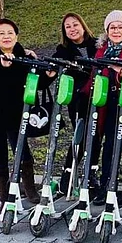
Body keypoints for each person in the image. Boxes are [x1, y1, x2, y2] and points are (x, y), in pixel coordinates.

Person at [0, 18, 52, 214]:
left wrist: (49, 76)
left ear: (16, 36)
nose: (6, 36)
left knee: (22, 151)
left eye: (10, 33)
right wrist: (2, 67)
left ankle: (29, 189)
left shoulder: (24, 56)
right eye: (2, 33)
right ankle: (4, 197)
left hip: (17, 114)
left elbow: (37, 83)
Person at [82, 10, 122, 206]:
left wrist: (121, 71)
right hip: (107, 102)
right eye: (113, 27)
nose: (116, 30)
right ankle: (105, 186)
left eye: (120, 27)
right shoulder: (102, 49)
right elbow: (95, 74)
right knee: (109, 146)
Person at [47, 12, 101, 194]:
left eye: (75, 25)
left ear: (83, 25)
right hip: (79, 100)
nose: (72, 29)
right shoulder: (64, 50)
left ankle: (92, 172)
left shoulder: (97, 44)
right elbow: (54, 63)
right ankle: (68, 174)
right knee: (80, 134)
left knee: (96, 135)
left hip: (99, 97)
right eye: (68, 27)